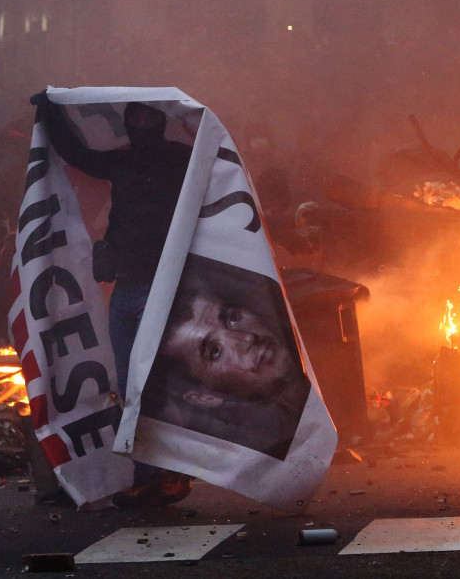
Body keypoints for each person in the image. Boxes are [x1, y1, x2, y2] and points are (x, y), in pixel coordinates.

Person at [32, 94, 193, 505]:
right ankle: (147, 473)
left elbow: (218, 161)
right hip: (127, 286)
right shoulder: (123, 162)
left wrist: (200, 121)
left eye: (148, 115)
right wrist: (51, 112)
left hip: (166, 285)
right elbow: (77, 154)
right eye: (134, 116)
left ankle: (171, 475)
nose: (141, 123)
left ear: (158, 121)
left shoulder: (182, 159)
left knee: (158, 382)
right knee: (127, 382)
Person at [140, 253, 310, 458]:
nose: (246, 339)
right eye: (215, 351)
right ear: (204, 396)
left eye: (232, 318)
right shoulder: (279, 453)